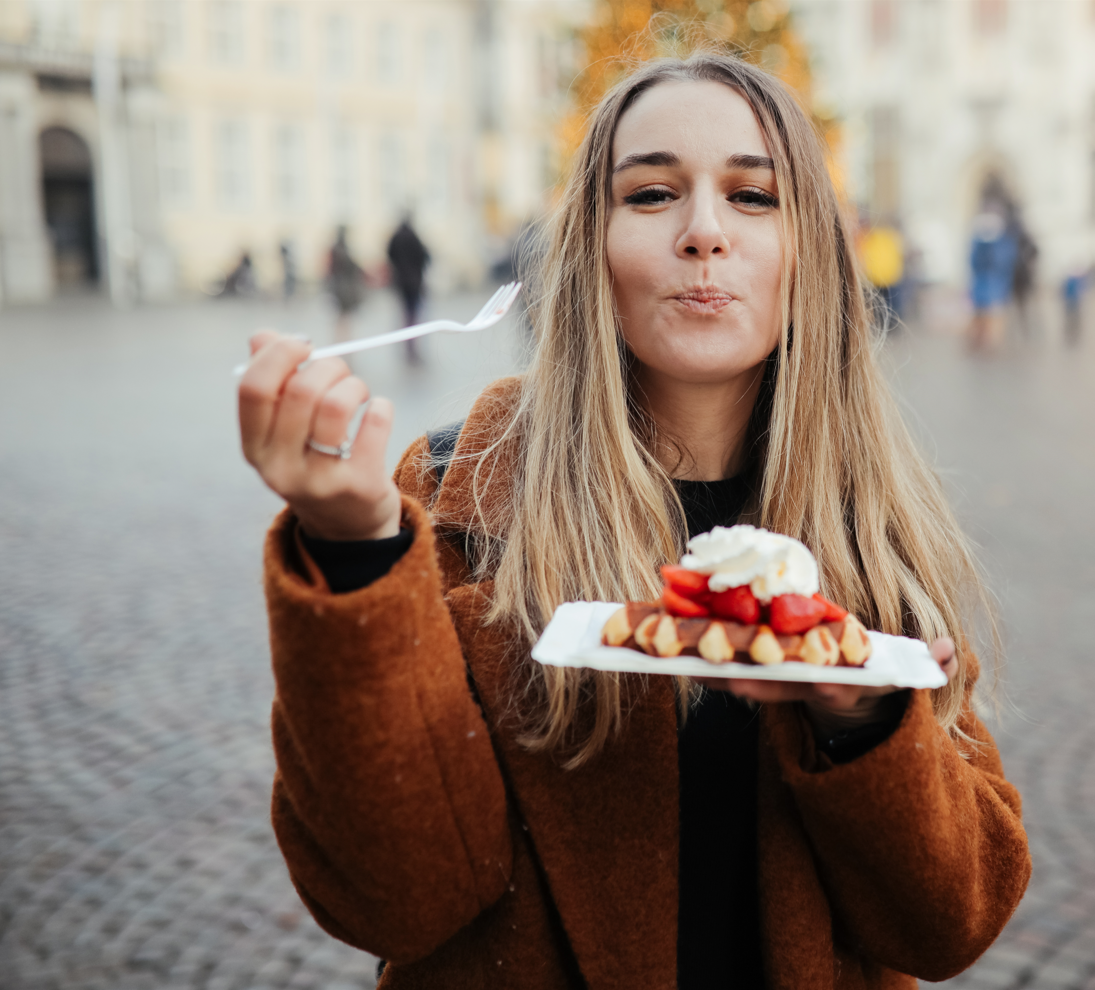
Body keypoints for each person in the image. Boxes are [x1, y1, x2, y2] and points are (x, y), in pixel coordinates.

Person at [237, 53, 1030, 989]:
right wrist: (356, 545)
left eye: (753, 197)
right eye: (652, 194)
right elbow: (397, 902)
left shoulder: (873, 522)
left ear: (808, 248)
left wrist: (861, 723)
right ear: (593, 246)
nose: (703, 233)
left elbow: (951, 924)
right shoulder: (461, 490)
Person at [968, 203, 1018, 351]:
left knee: (993, 318)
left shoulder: (1004, 242)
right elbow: (974, 262)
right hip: (983, 286)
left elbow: (1004, 264)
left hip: (995, 287)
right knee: (980, 317)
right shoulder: (979, 241)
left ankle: (990, 344)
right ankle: (979, 343)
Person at [387, 216, 432, 364]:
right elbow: (425, 256)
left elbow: (389, 254)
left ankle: (408, 347)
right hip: (414, 282)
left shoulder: (396, 237)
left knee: (405, 315)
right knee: (414, 315)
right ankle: (413, 348)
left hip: (401, 282)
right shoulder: (414, 237)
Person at [859, 217, 906, 327]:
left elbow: (866, 256)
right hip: (888, 276)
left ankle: (883, 323)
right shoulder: (892, 237)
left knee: (879, 304)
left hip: (877, 276)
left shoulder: (871, 237)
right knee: (889, 303)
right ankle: (890, 324)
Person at [326, 226, 366, 345]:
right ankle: (342, 342)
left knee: (343, 318)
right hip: (343, 288)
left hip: (342, 287)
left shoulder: (338, 249)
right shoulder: (340, 250)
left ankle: (343, 342)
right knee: (343, 318)